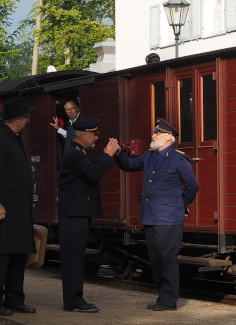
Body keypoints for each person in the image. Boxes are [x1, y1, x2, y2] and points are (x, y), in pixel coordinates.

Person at [115, 118, 199, 311]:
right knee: (155, 259)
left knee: (167, 258)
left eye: (158, 133)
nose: (153, 135)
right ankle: (162, 297)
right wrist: (118, 153)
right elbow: (128, 165)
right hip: (151, 216)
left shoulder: (179, 158)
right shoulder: (149, 156)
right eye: (154, 132)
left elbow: (193, 186)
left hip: (168, 218)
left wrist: (179, 205)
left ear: (169, 137)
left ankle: (169, 301)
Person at [56, 117, 120, 312]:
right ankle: (74, 301)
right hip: (74, 214)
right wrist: (108, 155)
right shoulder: (74, 154)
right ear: (83, 135)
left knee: (76, 257)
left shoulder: (79, 152)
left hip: (77, 213)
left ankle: (75, 299)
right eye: (94, 134)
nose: (96, 138)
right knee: (73, 258)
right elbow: (93, 172)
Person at [0, 95, 37, 315]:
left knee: (17, 253)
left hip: (18, 209)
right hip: (4, 208)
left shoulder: (12, 136)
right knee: (2, 253)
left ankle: (15, 299)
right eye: (26, 117)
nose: (28, 121)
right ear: (17, 118)